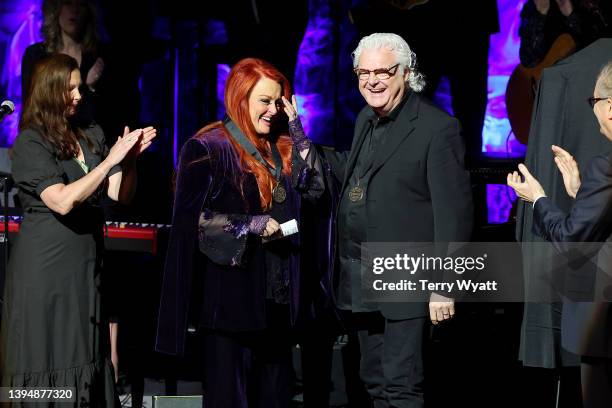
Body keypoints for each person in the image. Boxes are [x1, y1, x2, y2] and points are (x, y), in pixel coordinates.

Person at [297, 33, 473, 407]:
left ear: (405, 73)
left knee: (400, 386)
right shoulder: (366, 118)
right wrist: (300, 141)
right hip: (361, 276)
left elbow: (453, 214)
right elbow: (357, 173)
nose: (372, 80)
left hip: (407, 278)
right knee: (372, 381)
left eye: (383, 72)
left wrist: (445, 285)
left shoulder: (438, 128)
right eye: (364, 73)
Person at [155, 57, 323, 408]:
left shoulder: (283, 145)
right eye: (264, 101)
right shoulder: (207, 147)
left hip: (276, 307)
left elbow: (316, 190)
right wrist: (251, 224)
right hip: (229, 310)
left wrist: (297, 130)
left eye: (279, 102)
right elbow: (192, 224)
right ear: (240, 98)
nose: (272, 110)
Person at [0, 54, 156, 406]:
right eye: (69, 88)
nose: (78, 95)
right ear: (49, 92)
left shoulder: (89, 133)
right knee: (46, 360)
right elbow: (62, 201)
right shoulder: (30, 143)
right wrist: (111, 162)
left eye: (79, 86)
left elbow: (118, 194)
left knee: (86, 355)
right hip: (44, 273)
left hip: (84, 270)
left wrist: (128, 162)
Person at [507, 60, 612, 408]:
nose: (593, 110)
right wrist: (581, 191)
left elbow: (571, 239)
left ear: (609, 107)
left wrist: (537, 198)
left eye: (592, 102)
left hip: (603, 323)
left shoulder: (607, 165)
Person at [519, 0, 610, 68]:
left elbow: (597, 49)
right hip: (552, 85)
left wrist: (571, 15)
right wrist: (541, 14)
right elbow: (528, 60)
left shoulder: (585, 4)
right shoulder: (532, 8)